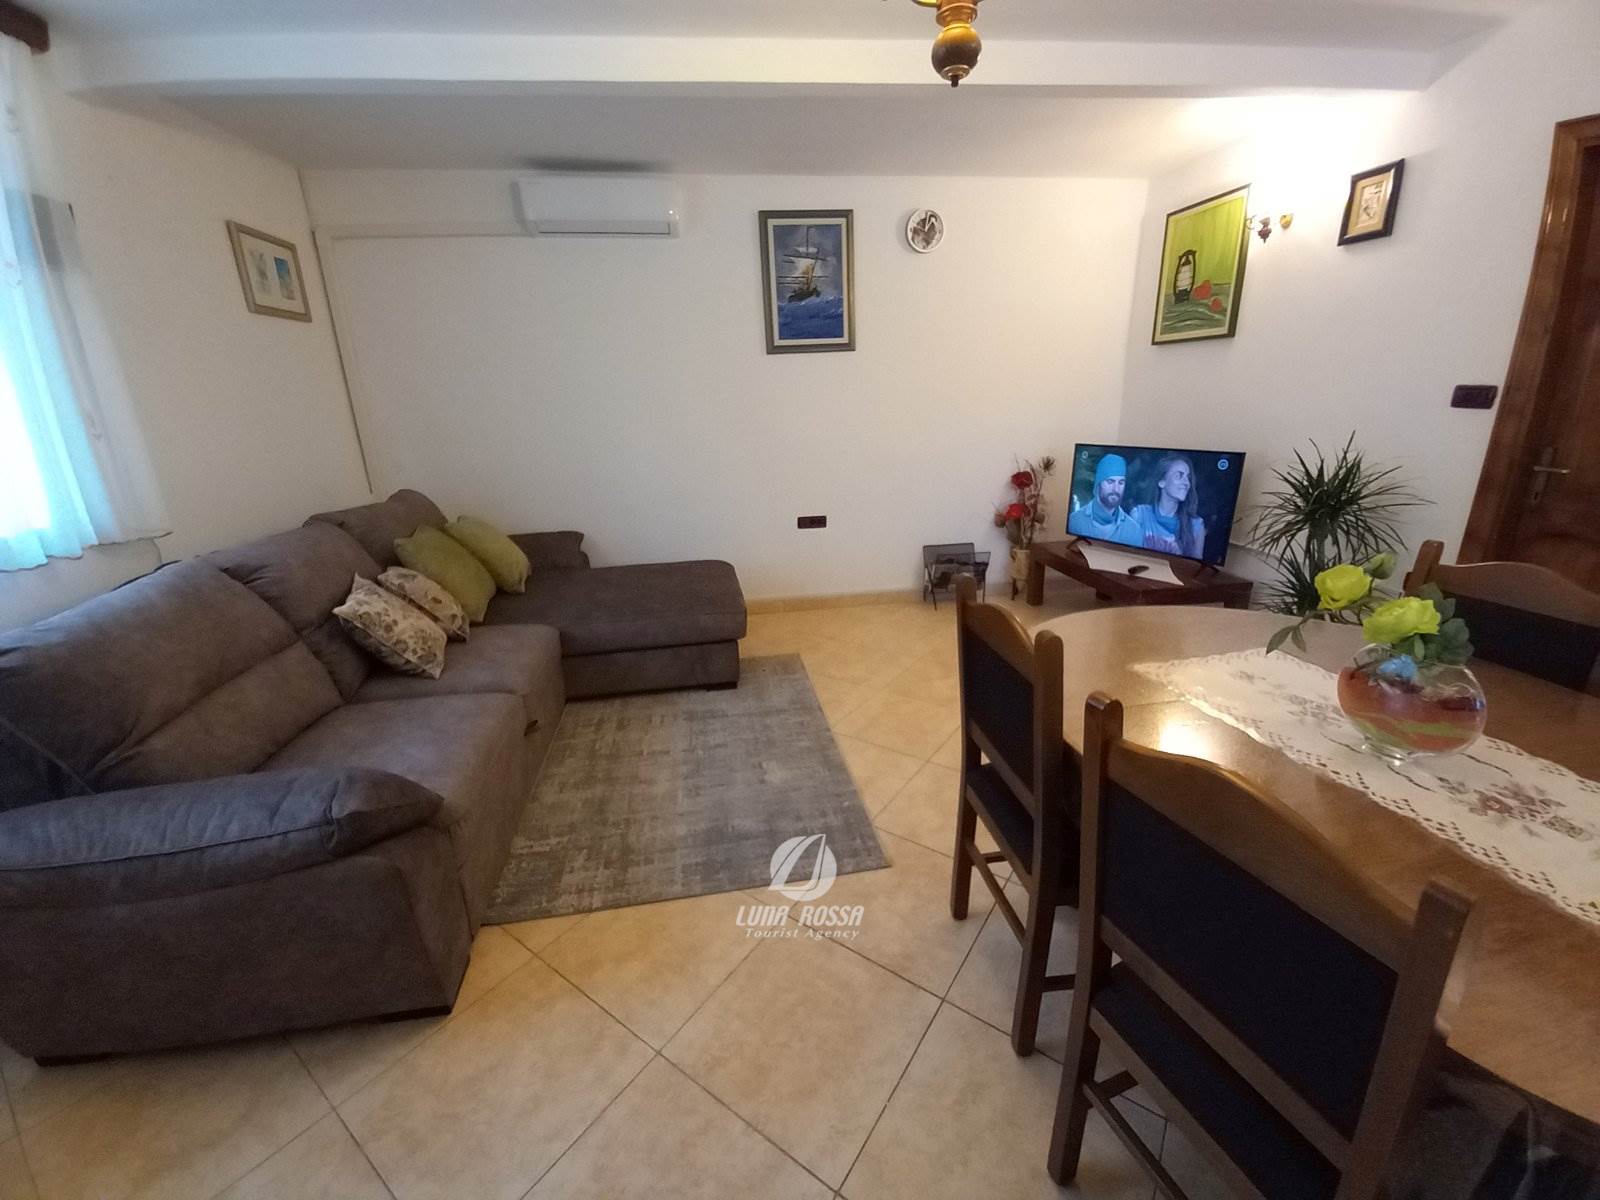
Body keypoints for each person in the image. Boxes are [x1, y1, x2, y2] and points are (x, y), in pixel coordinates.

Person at [1130, 454, 1207, 559]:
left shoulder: (1196, 525)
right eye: (1179, 475)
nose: (1186, 483)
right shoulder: (1139, 515)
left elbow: (1196, 566)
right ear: (1162, 482)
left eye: (1188, 478)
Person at [1067, 453, 1141, 547]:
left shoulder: (1134, 530)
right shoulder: (1075, 521)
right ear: (1099, 483)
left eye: (1121, 483)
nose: (1116, 489)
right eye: (1110, 482)